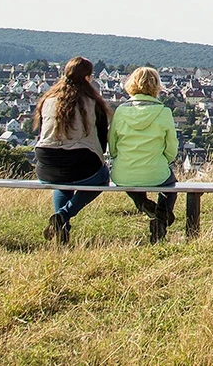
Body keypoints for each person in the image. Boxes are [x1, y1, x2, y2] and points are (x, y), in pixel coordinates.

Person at [33, 56, 111, 246]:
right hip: (82, 162)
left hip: (47, 165)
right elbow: (101, 140)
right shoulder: (93, 103)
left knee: (62, 184)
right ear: (87, 78)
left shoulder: (48, 100)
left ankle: (63, 230)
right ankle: (64, 215)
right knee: (103, 177)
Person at [109, 66, 180, 242]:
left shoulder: (120, 111)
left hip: (123, 173)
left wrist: (120, 158)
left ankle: (143, 204)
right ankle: (161, 220)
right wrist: (163, 160)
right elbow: (171, 148)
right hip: (156, 172)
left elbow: (112, 147)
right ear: (156, 86)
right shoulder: (164, 112)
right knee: (170, 188)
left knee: (127, 179)